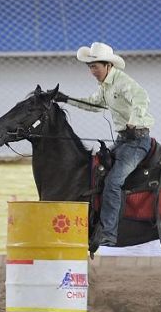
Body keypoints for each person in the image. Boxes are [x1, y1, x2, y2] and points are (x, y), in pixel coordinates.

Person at [54, 42, 155, 249]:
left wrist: (134, 120)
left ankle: (109, 232)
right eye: (90, 67)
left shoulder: (123, 82)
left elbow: (142, 98)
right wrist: (67, 99)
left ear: (108, 65)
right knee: (97, 174)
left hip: (137, 142)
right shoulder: (105, 86)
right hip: (123, 141)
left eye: (95, 67)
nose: (92, 72)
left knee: (113, 182)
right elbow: (93, 104)